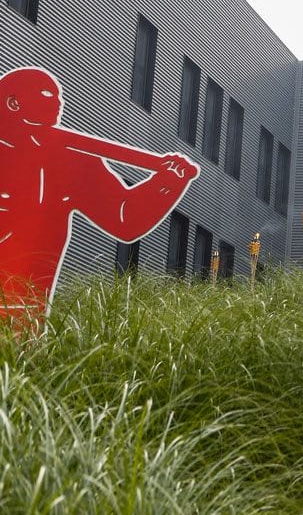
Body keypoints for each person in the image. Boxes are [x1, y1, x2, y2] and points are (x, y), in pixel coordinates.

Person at [0, 66, 197, 330]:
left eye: (59, 96)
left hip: (21, 319)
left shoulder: (71, 160)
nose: (59, 103)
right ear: (13, 102)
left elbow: (124, 218)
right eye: (48, 94)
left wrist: (166, 182)